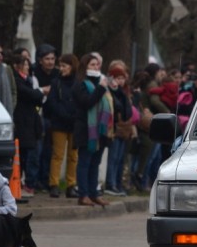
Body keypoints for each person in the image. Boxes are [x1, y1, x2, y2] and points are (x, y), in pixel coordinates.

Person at [73, 53, 113, 207]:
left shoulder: (101, 82)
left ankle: (93, 193)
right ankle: (83, 194)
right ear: (85, 67)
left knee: (95, 163)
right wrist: (101, 89)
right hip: (86, 131)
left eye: (97, 65)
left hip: (100, 131)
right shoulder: (80, 84)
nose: (96, 67)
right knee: (84, 162)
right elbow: (87, 102)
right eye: (92, 65)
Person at [44, 53, 79, 198]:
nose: (62, 68)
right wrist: (63, 114)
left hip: (74, 124)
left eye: (65, 66)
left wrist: (73, 116)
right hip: (59, 124)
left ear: (72, 67)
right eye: (61, 65)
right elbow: (52, 102)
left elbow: (80, 101)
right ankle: (54, 184)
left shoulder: (78, 83)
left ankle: (71, 185)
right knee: (57, 155)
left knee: (73, 156)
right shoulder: (56, 82)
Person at [11, 52, 46, 196]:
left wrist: (38, 93)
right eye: (25, 64)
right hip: (22, 122)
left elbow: (38, 98)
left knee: (33, 155)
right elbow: (32, 94)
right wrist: (39, 92)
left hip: (32, 123)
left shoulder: (30, 80)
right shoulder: (17, 80)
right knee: (25, 156)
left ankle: (30, 183)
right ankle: (22, 183)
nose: (27, 67)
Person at [104, 60, 136, 196]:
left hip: (124, 129)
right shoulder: (110, 91)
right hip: (115, 129)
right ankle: (110, 184)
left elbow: (128, 111)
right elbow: (116, 107)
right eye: (118, 78)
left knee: (120, 158)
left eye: (122, 78)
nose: (120, 81)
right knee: (113, 158)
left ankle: (117, 183)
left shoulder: (124, 92)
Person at [32, 44, 58, 192]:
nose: (50, 62)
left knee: (49, 151)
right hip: (38, 116)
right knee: (38, 151)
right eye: (47, 59)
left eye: (52, 59)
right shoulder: (34, 72)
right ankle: (35, 182)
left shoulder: (57, 74)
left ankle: (45, 179)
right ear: (40, 60)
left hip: (53, 116)